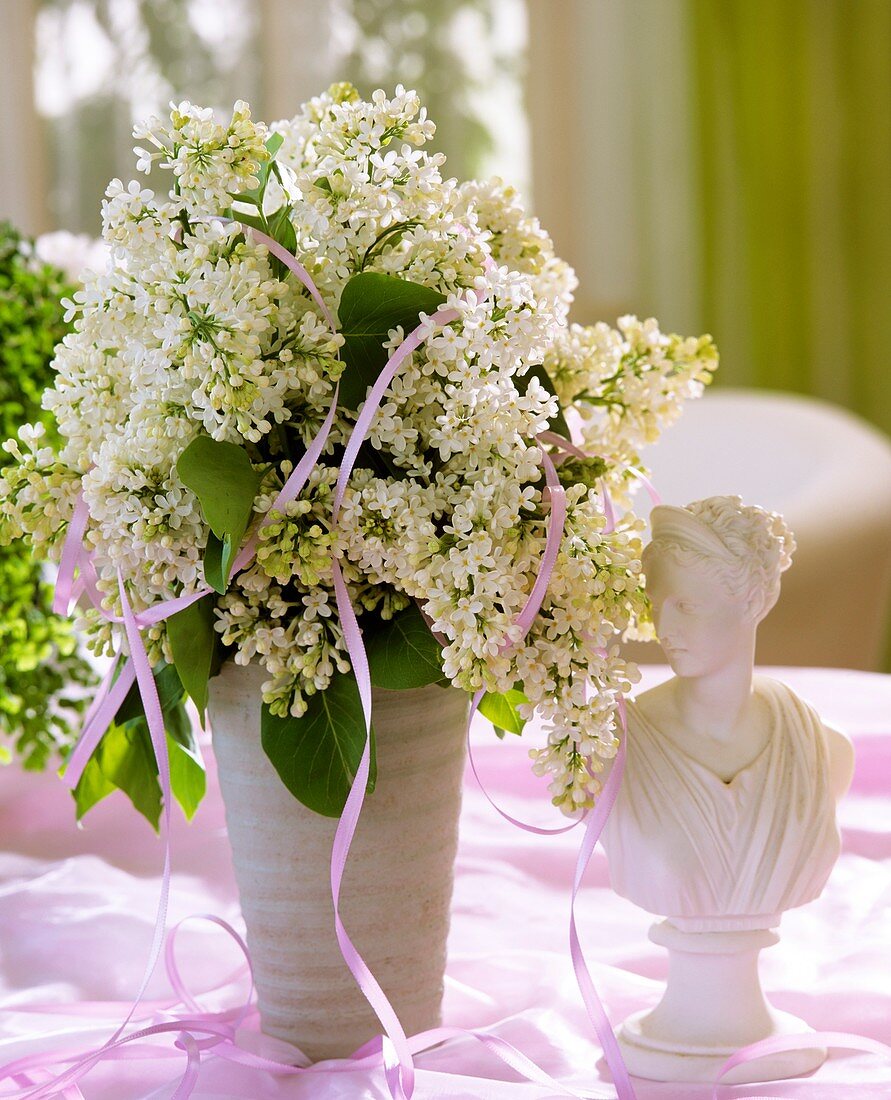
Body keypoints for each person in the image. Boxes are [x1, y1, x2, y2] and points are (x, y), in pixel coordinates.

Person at [602, 495, 855, 933]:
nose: (664, 629)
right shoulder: (610, 745)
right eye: (656, 605)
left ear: (753, 603)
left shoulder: (823, 749)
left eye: (686, 606)